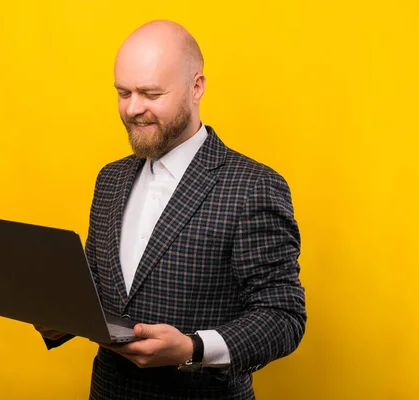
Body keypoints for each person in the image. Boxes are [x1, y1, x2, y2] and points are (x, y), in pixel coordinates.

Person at [35, 20, 306, 399]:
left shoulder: (253, 187)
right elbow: (97, 290)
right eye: (123, 92)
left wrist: (193, 349)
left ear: (197, 87)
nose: (133, 109)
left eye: (150, 93)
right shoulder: (109, 179)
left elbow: (283, 317)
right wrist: (61, 319)